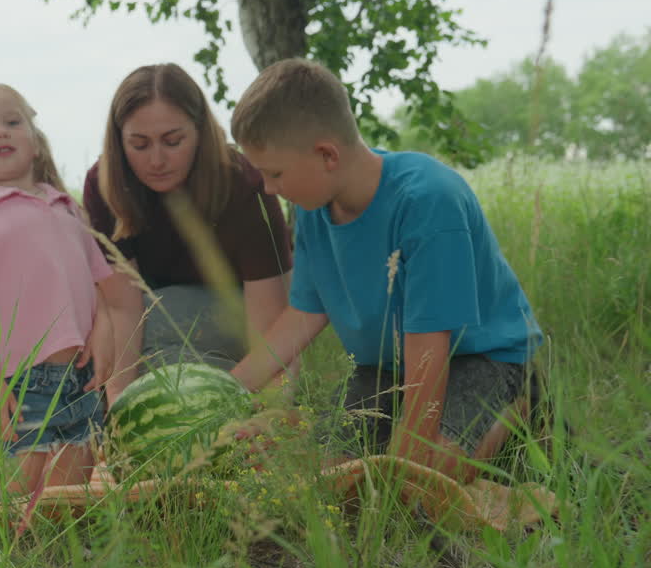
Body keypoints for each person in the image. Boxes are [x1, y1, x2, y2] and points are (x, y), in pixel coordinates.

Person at [229, 58, 543, 483]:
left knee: (426, 478)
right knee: (326, 476)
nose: (269, 188)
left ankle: (519, 408)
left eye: (275, 173)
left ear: (326, 155)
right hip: (384, 369)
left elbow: (430, 346)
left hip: (480, 357)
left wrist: (405, 465)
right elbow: (302, 315)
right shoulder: (313, 212)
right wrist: (226, 392)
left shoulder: (429, 199)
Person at [0, 82, 114, 493]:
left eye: (12, 122)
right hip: (20, 382)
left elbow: (96, 287)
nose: (0, 131)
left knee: (67, 497)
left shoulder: (68, 209)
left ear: (35, 142)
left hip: (81, 379)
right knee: (15, 496)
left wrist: (104, 331)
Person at [83, 63, 293, 401]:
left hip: (234, 318)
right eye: (139, 145)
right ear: (119, 142)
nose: (157, 160)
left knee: (171, 318)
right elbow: (122, 309)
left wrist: (273, 411)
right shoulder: (104, 184)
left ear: (200, 131)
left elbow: (271, 322)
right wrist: (117, 403)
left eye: (173, 141)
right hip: (143, 318)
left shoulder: (244, 183)